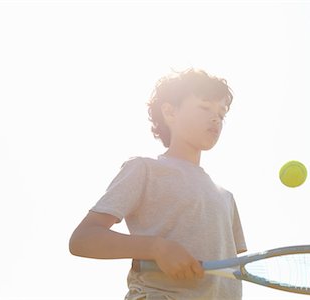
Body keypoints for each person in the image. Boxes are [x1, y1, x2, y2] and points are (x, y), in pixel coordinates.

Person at [69, 68, 247, 299]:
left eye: (221, 114)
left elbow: (231, 270)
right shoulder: (144, 169)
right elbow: (83, 239)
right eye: (204, 107)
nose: (215, 119)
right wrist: (157, 248)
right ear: (170, 112)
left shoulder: (226, 197)